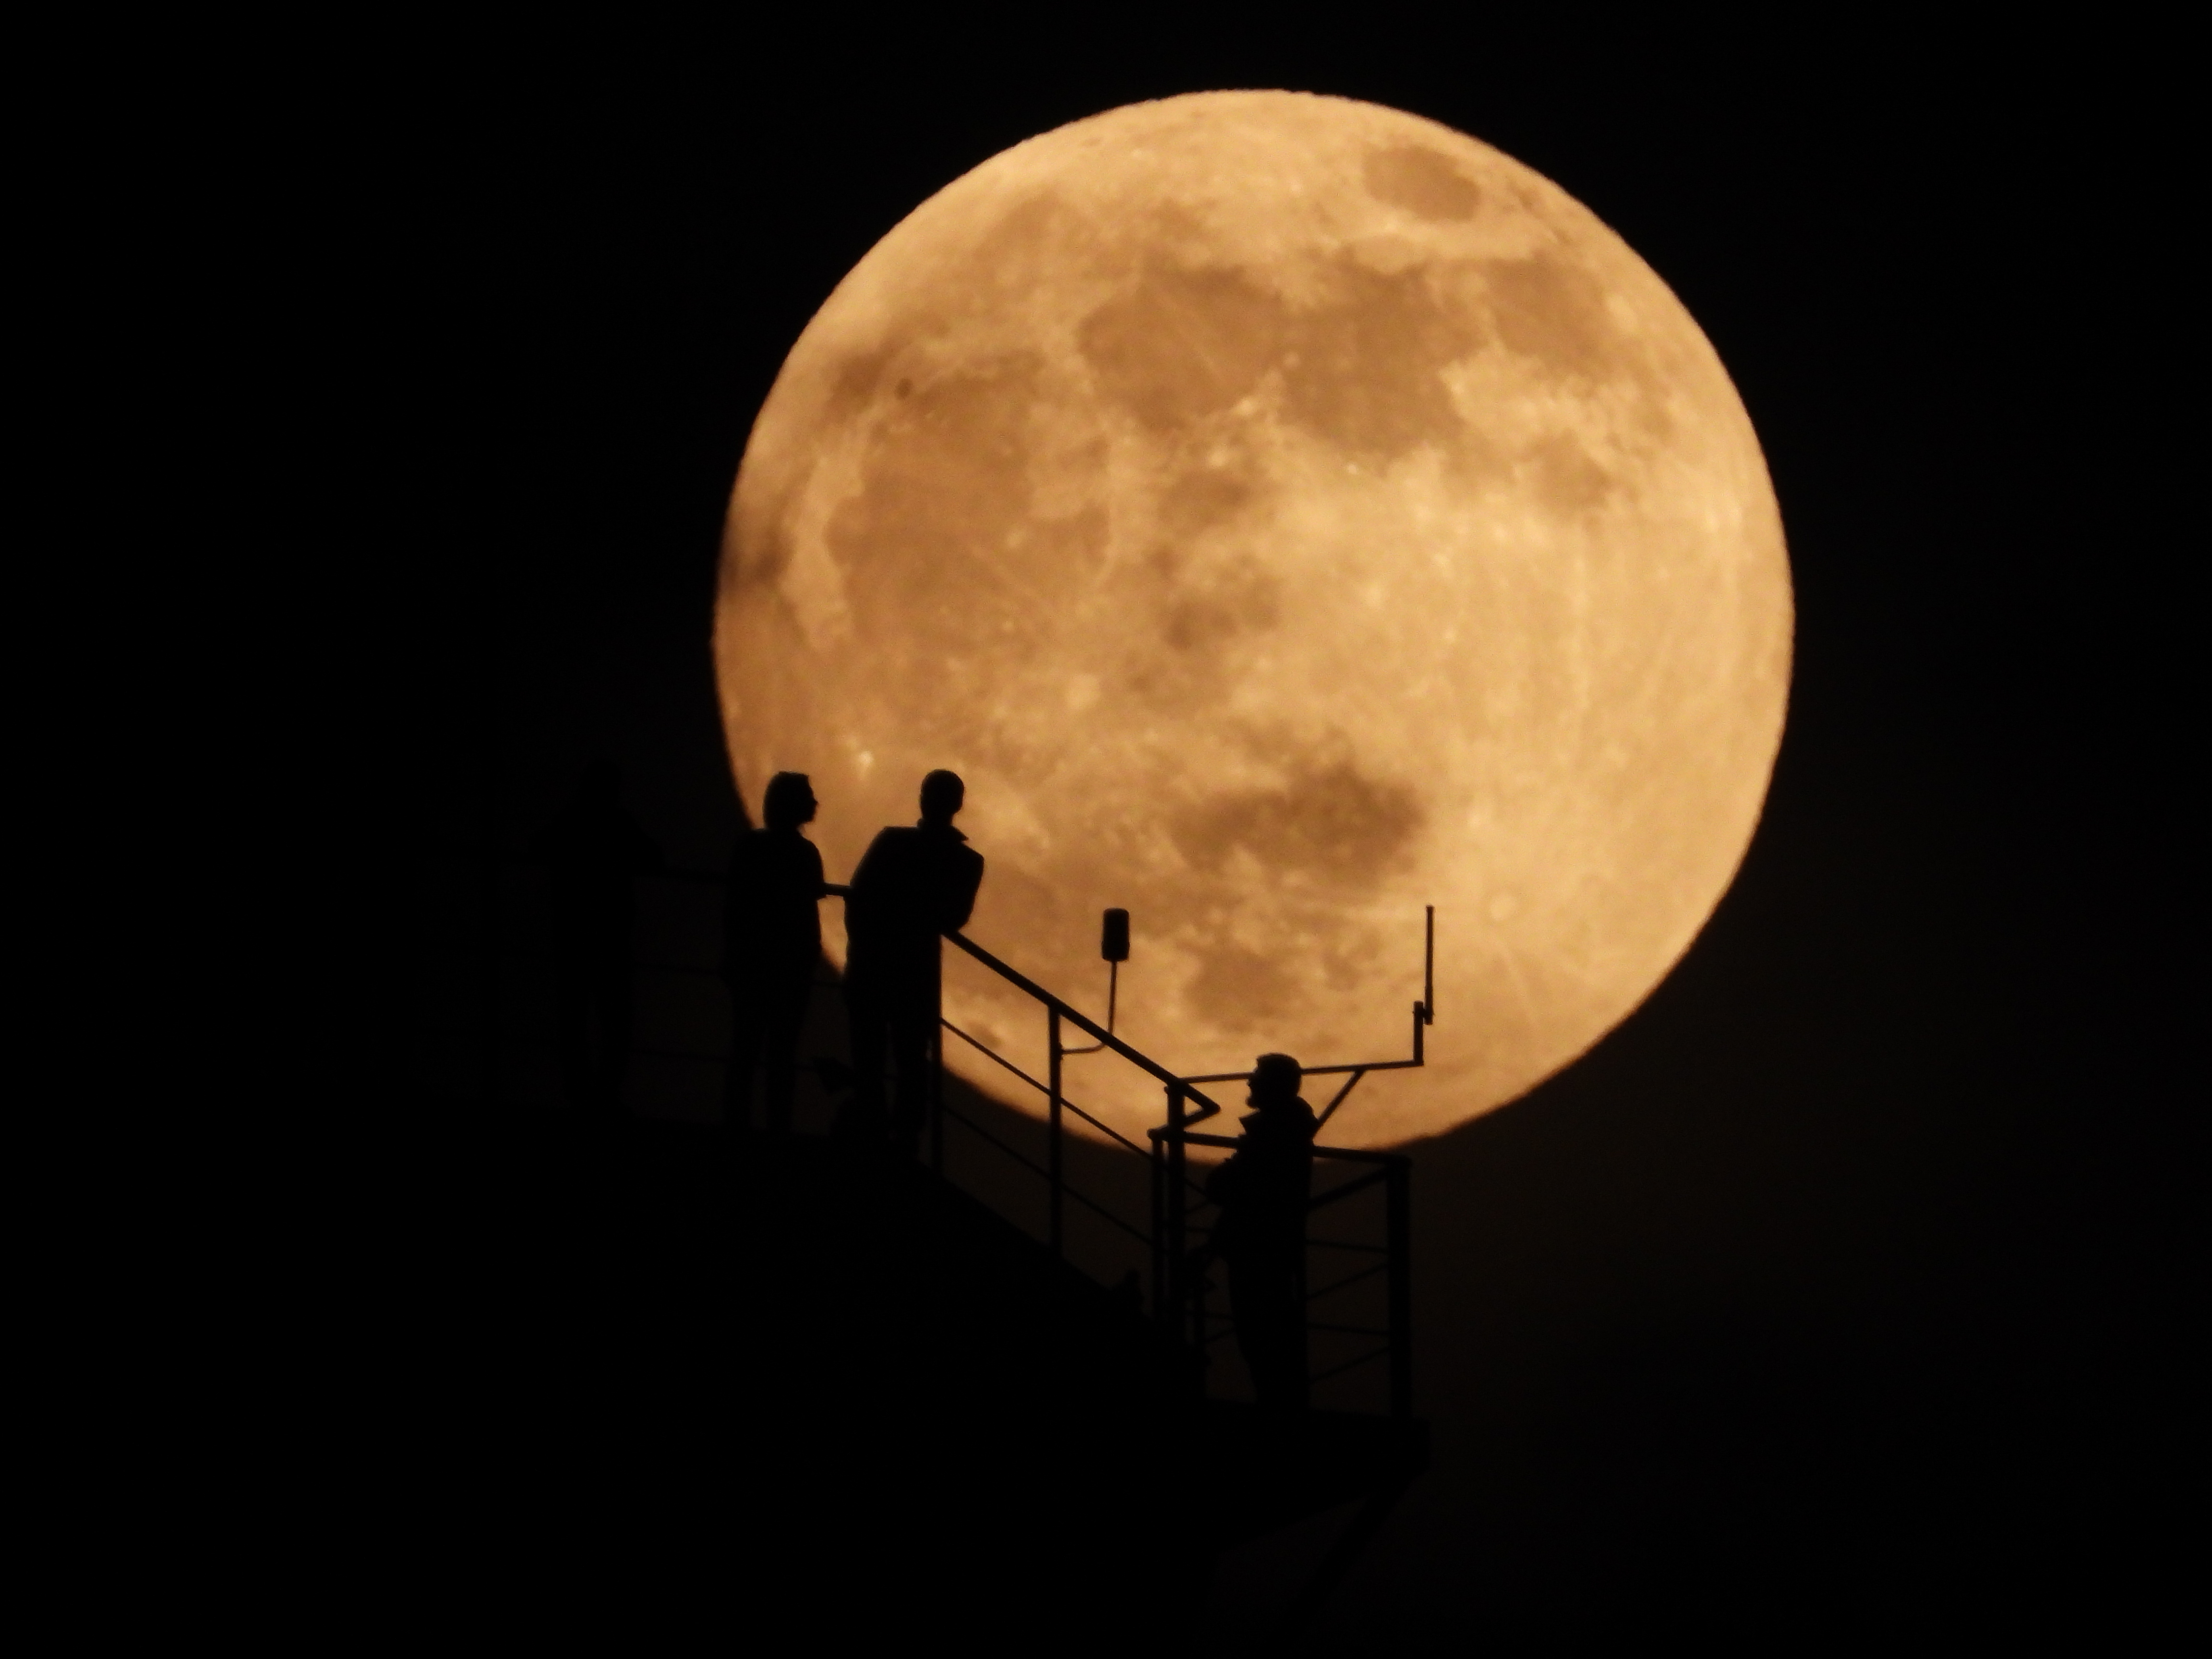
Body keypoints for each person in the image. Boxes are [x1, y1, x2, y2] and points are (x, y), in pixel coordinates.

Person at [842, 770, 984, 1152]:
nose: (929, 800)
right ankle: (895, 1134)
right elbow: (949, 915)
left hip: (887, 966)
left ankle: (885, 1131)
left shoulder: (898, 844)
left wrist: (867, 944)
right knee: (896, 1057)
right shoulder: (963, 860)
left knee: (886, 1056)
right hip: (904, 968)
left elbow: (860, 897)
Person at [537, 760, 661, 1115]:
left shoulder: (572, 822)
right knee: (615, 1022)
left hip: (575, 934)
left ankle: (580, 1092)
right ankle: (603, 1095)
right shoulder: (617, 825)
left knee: (575, 1017)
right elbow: (655, 859)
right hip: (609, 937)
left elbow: (540, 845)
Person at [1205, 1053, 1318, 1411]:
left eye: (1258, 1076)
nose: (1250, 1081)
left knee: (1263, 1338)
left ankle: (1280, 1411)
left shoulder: (1275, 1132)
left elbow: (1236, 1189)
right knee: (1266, 1339)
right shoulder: (1284, 1128)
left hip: (1259, 1250)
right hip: (1261, 1246)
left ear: (1275, 1085)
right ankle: (1282, 1407)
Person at [724, 772, 828, 1138]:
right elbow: (811, 897)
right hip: (789, 964)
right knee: (780, 1051)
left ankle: (739, 1123)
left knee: (747, 1047)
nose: (816, 803)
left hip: (755, 960)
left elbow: (736, 902)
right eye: (809, 796)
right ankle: (776, 1129)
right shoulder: (803, 853)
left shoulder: (750, 846)